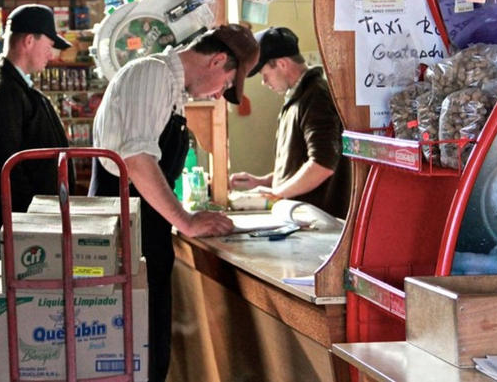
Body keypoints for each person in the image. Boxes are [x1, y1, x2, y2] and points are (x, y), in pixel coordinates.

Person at [88, 24, 258, 381]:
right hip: (123, 245)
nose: (217, 95)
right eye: (225, 84)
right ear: (217, 60)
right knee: (125, 362)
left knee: (150, 360)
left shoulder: (172, 89)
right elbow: (137, 159)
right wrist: (187, 220)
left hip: (145, 243)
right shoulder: (151, 74)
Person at [0, 4, 75, 257]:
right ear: (29, 41)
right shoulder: (3, 92)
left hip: (32, 224)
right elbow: (6, 169)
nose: (51, 55)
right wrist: (33, 219)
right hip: (24, 229)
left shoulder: (13, 85)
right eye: (49, 46)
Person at [229, 27, 351, 219]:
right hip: (303, 219)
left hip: (319, 222)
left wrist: (276, 194)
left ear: (282, 64)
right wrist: (265, 182)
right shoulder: (299, 97)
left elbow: (322, 165)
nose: (264, 82)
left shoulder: (317, 97)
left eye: (264, 74)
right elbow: (301, 165)